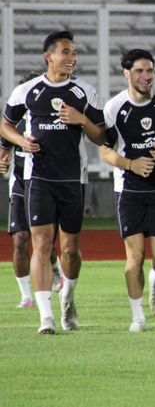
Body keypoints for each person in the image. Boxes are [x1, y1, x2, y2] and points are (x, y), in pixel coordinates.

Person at [0, 30, 106, 334]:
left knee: (70, 250)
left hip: (73, 178)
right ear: (49, 56)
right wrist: (20, 140)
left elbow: (102, 137)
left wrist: (81, 120)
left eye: (74, 53)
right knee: (41, 244)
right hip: (38, 178)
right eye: (66, 52)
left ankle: (68, 299)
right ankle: (45, 317)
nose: (72, 58)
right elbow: (5, 124)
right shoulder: (27, 91)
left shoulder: (84, 92)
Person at [100, 49, 155, 332]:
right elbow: (104, 151)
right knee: (134, 257)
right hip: (130, 192)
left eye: (149, 70)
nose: (146, 76)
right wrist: (130, 164)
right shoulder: (114, 108)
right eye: (139, 71)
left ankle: (154, 279)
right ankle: (137, 316)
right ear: (126, 73)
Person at [0, 72, 63, 309]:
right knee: (20, 239)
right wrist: (3, 159)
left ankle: (54, 268)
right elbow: (4, 145)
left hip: (46, 182)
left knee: (43, 241)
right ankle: (26, 296)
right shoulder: (15, 119)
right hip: (20, 182)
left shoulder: (53, 117)